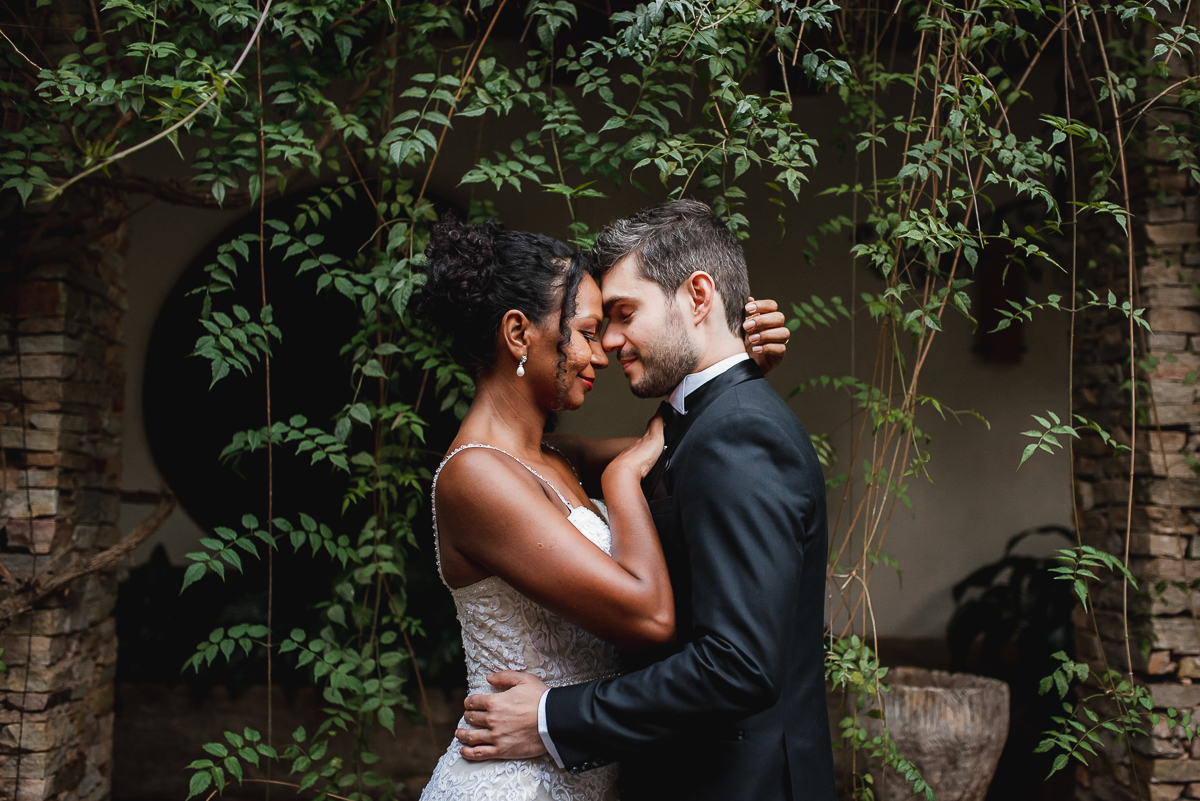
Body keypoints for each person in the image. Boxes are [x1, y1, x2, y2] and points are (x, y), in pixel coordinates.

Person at [453, 200, 837, 801]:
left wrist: (738, 367)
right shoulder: (503, 468)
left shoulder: (734, 433)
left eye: (621, 315)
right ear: (517, 334)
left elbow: (737, 662)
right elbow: (669, 449)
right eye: (588, 329)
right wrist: (733, 369)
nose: (605, 345)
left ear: (698, 296)